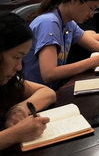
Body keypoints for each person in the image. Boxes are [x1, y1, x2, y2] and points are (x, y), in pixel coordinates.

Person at [0, 12, 56, 151]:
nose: (19, 67)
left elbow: (47, 92)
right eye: (16, 57)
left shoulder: (7, 80)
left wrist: (19, 109)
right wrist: (14, 134)